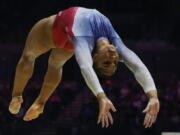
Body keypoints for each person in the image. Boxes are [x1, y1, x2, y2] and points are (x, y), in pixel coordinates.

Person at [9, 7, 160, 128]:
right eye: (114, 63)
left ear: (94, 57)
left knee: (34, 57)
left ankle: (34, 101)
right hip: (68, 36)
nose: (114, 60)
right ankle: (19, 96)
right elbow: (138, 66)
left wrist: (101, 97)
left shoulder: (83, 42)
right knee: (50, 62)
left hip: (52, 33)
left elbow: (86, 67)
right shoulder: (114, 42)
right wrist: (153, 97)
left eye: (107, 63)